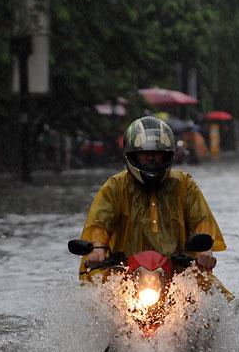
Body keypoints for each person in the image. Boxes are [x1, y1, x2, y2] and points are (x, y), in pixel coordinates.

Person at [80, 115, 225, 273]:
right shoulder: (115, 186)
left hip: (178, 273)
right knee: (95, 296)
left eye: (157, 153)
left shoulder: (184, 184)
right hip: (124, 272)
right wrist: (98, 249)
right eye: (145, 153)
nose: (151, 158)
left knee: (218, 295)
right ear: (133, 155)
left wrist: (204, 251)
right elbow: (99, 223)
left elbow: (202, 221)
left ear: (167, 154)